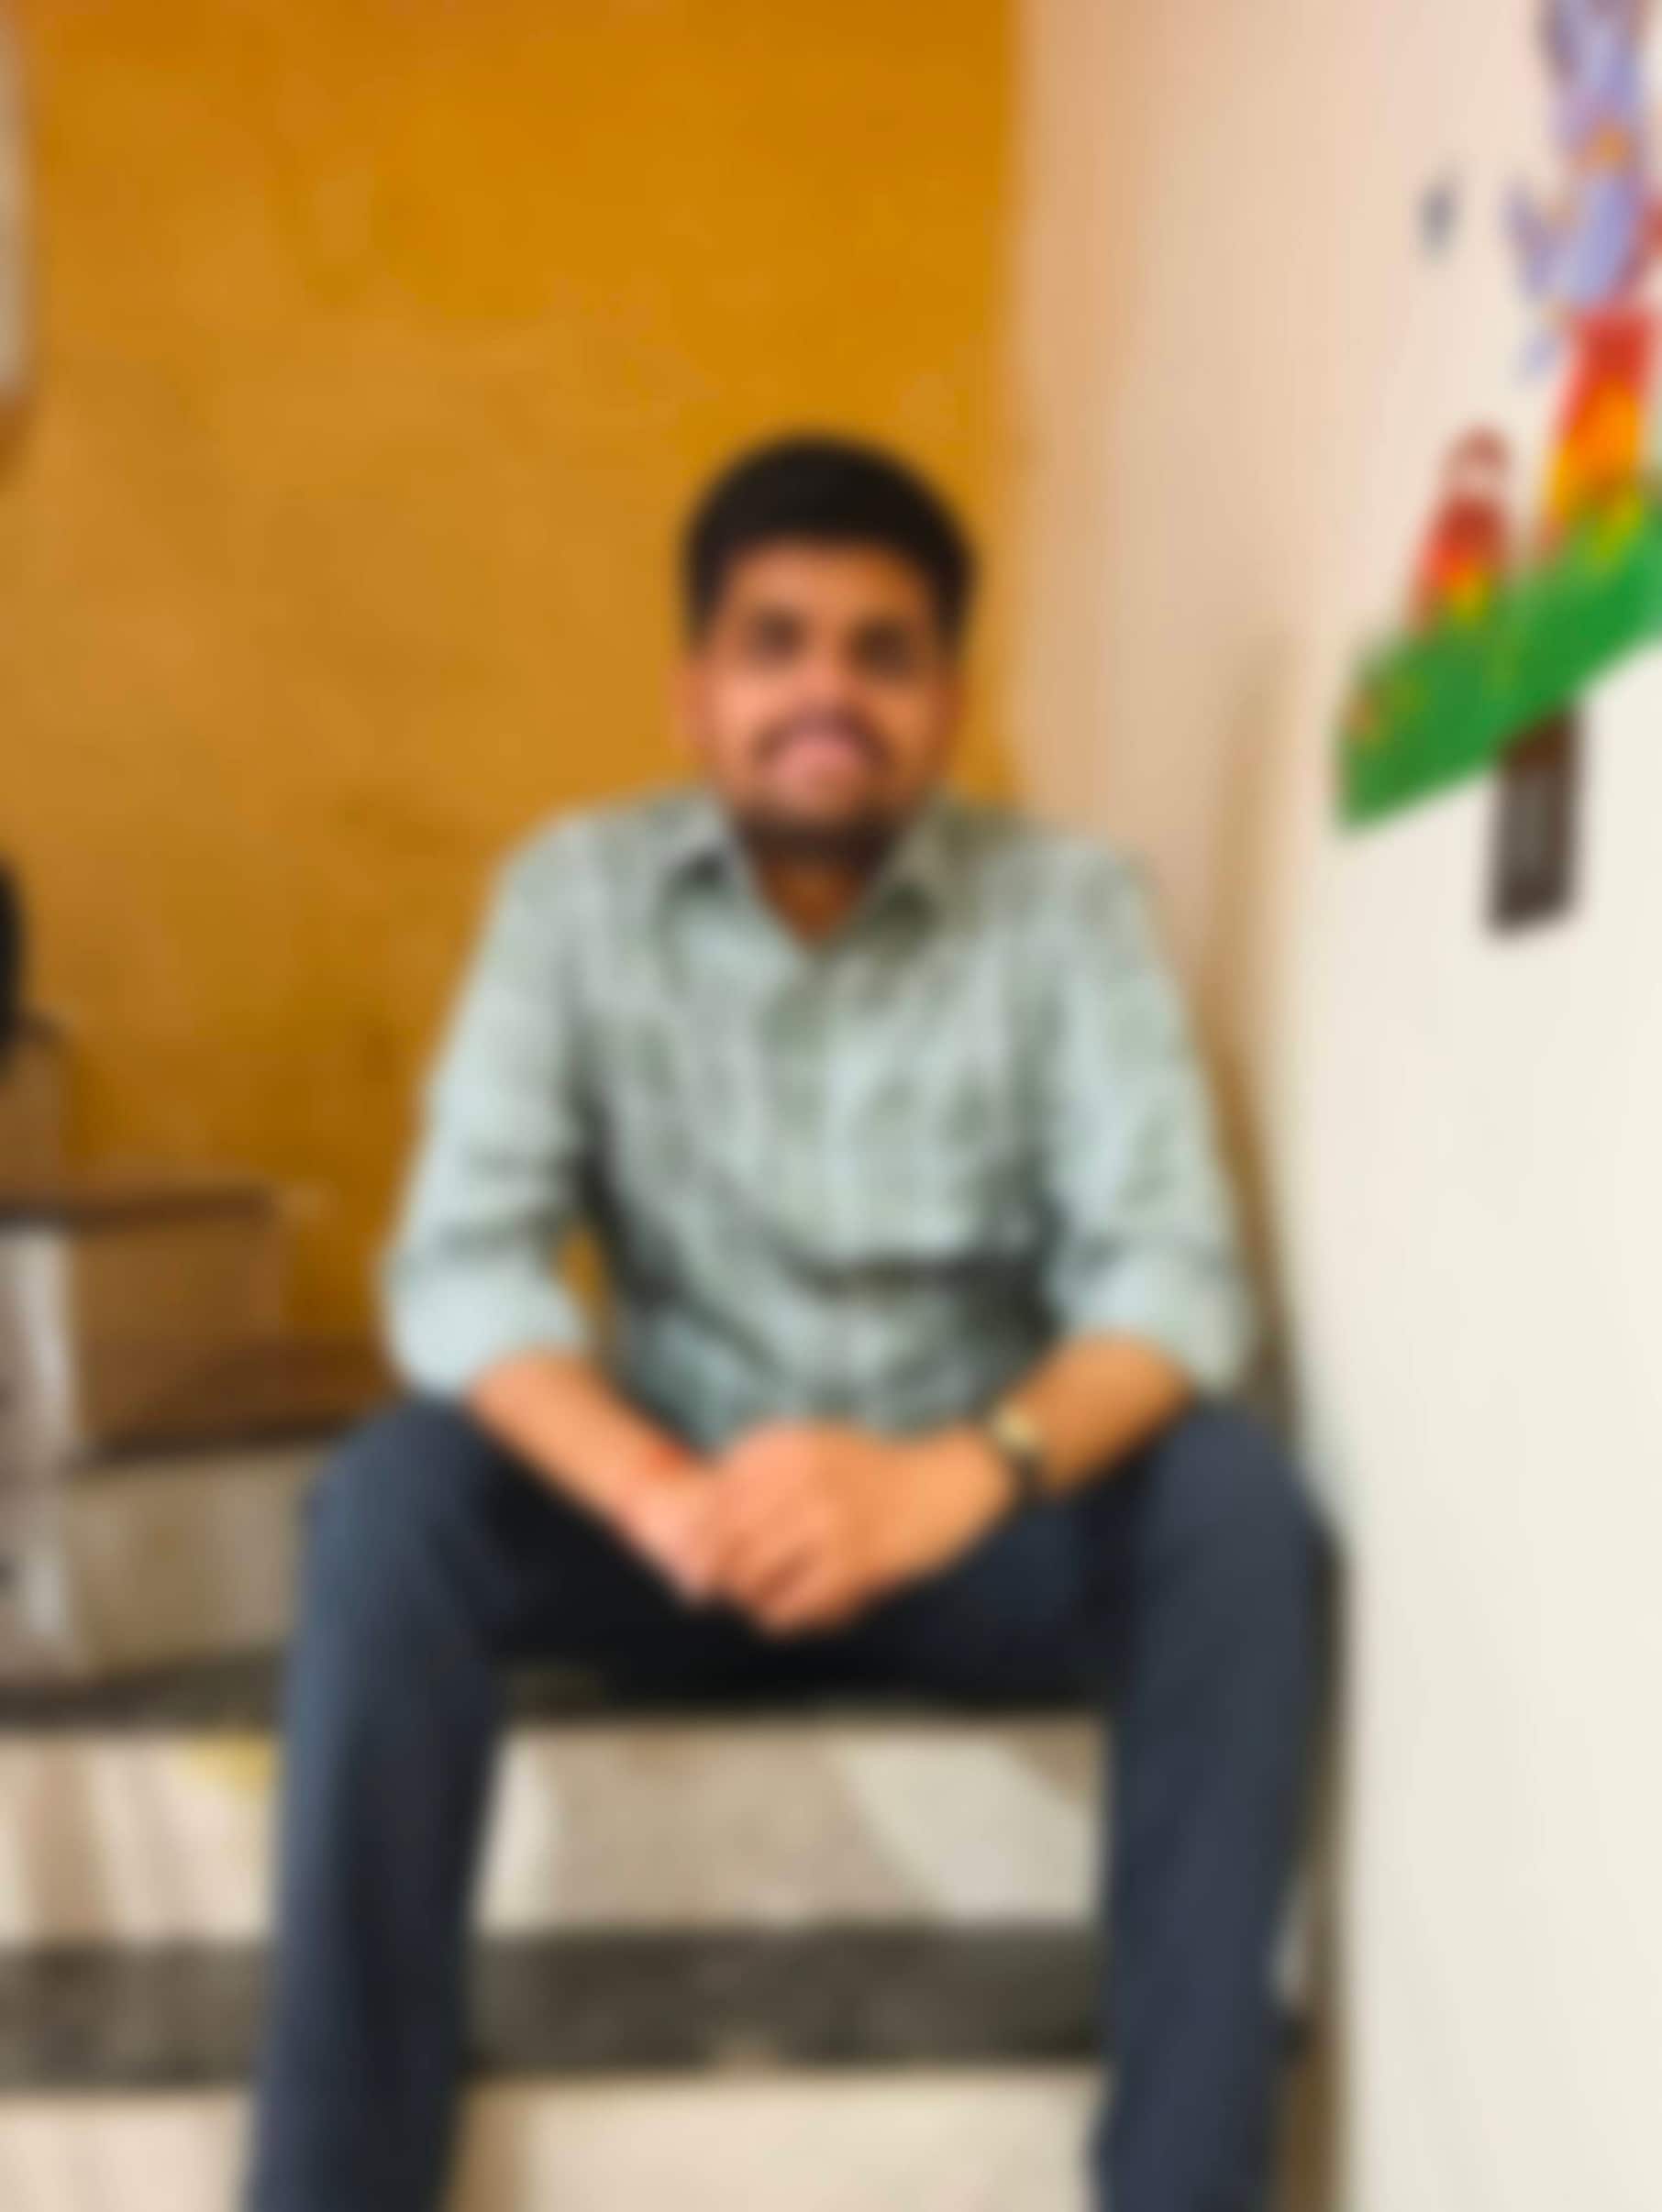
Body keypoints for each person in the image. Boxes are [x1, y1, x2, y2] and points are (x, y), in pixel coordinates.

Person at [247, 434, 1321, 2212]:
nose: (829, 692)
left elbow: (1173, 1277)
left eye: (883, 652)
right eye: (776, 643)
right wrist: (657, 1490)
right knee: (387, 1497)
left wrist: (945, 1485)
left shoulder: (1069, 911)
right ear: (695, 696)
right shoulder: (571, 898)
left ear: (946, 702)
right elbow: (459, 1265)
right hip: (674, 1533)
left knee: (1234, 1508)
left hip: (974, 1530)